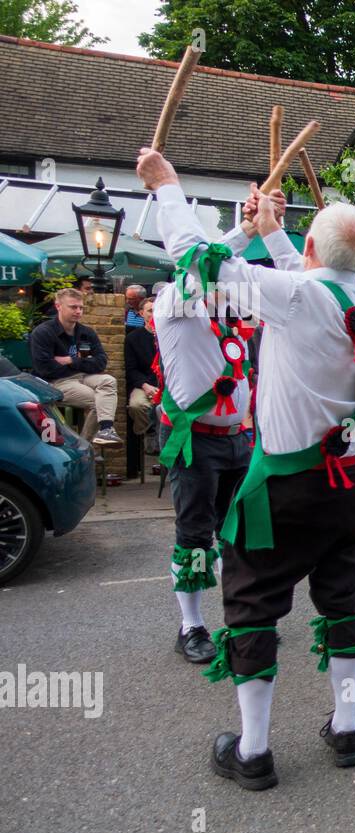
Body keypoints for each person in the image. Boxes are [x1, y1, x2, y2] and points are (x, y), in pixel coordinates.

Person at [140, 147, 355, 789]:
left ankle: (253, 752)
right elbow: (300, 279)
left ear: (310, 249)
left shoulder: (299, 295)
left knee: (251, 605)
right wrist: (272, 226)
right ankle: (348, 727)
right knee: (342, 599)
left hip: (289, 489)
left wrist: (168, 186)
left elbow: (197, 259)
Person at [151, 187, 274, 666]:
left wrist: (254, 224)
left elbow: (228, 270)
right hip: (193, 442)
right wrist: (243, 231)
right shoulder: (174, 309)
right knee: (195, 534)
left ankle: (238, 618)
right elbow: (205, 263)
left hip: (236, 440)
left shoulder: (227, 321)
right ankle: (191, 626)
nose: (226, 287)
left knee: (237, 532)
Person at [28, 288, 123, 446]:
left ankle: (105, 431)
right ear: (58, 306)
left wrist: (71, 361)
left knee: (109, 380)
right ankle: (84, 446)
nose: (78, 311)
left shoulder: (86, 332)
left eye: (81, 307)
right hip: (57, 382)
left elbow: (101, 362)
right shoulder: (43, 332)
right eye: (73, 307)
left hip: (83, 376)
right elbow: (46, 368)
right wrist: (85, 363)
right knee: (97, 401)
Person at [125, 297, 161, 454]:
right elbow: (131, 369)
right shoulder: (133, 338)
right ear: (141, 313)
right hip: (144, 383)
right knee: (137, 406)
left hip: (168, 384)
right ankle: (150, 431)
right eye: (150, 311)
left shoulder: (171, 335)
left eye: (158, 310)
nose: (154, 314)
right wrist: (145, 386)